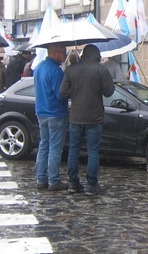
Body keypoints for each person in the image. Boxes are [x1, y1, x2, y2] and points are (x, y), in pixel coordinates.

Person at [60, 44, 115, 196]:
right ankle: (91, 185)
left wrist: (76, 93)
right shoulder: (101, 69)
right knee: (92, 152)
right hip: (94, 117)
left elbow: (62, 91)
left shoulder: (71, 69)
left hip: (76, 116)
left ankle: (73, 182)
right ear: (96, 56)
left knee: (73, 151)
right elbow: (109, 91)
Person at [34, 44, 69, 192]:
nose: (65, 55)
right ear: (54, 53)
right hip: (55, 112)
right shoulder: (56, 71)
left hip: (41, 111)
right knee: (55, 148)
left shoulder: (39, 67)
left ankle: (41, 178)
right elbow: (60, 94)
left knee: (43, 145)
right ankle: (54, 180)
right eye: (63, 52)